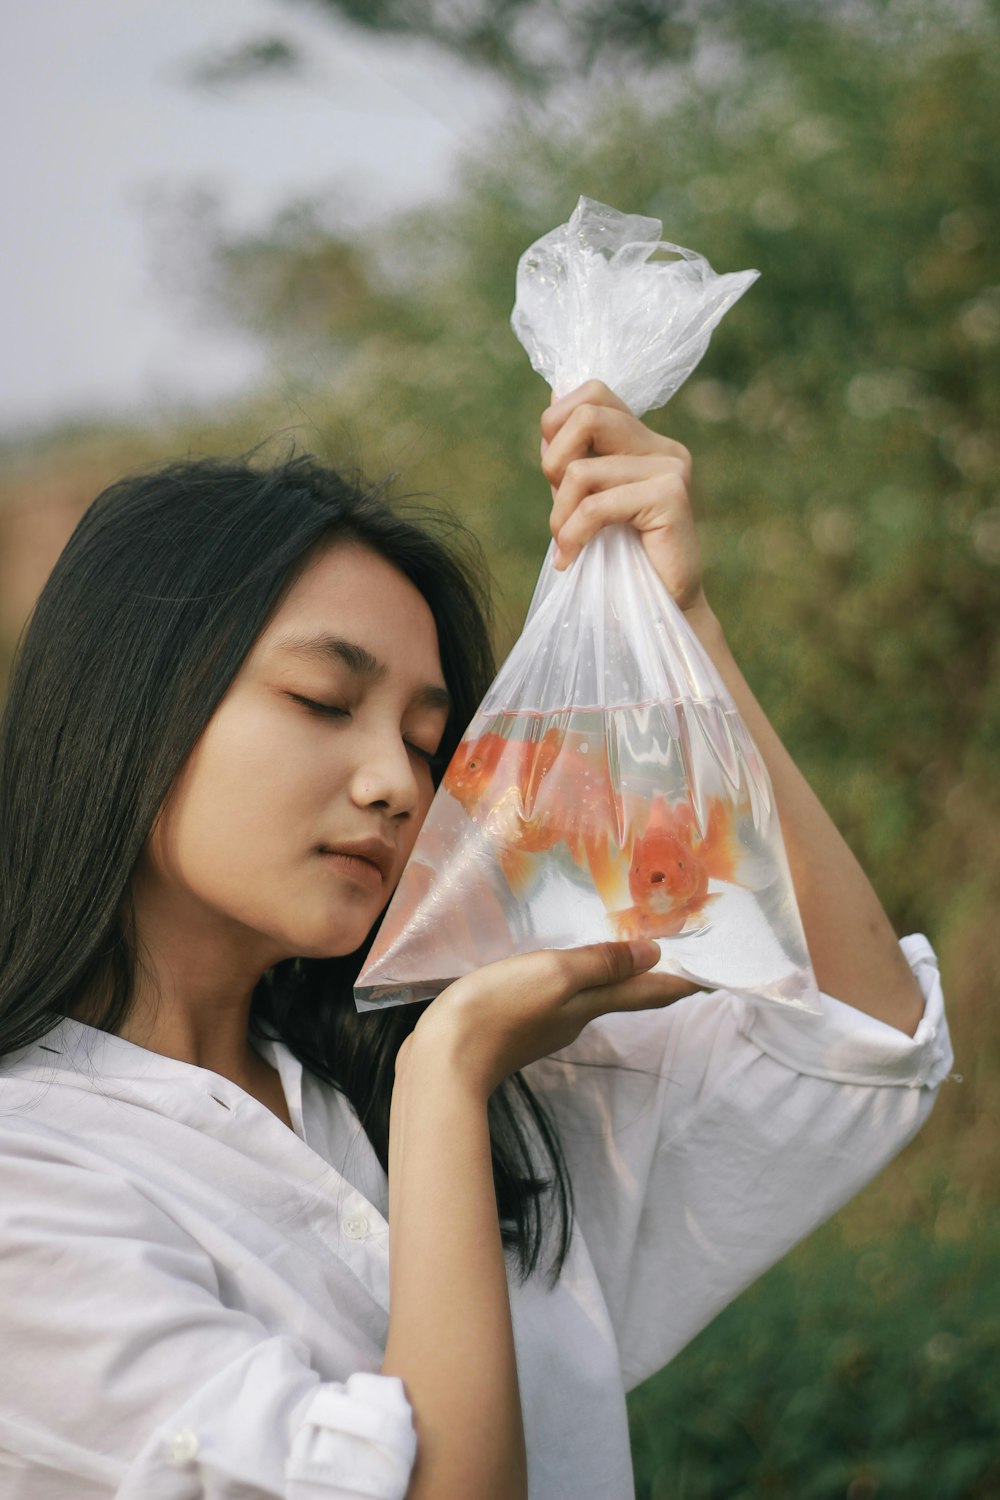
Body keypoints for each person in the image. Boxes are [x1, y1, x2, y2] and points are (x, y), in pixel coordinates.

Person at [0, 382, 951, 1500]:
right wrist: (445, 1077)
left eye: (424, 738)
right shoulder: (35, 1176)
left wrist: (686, 631)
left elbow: (861, 1035)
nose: (397, 784)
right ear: (128, 703)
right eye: (321, 699)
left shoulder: (442, 1086)